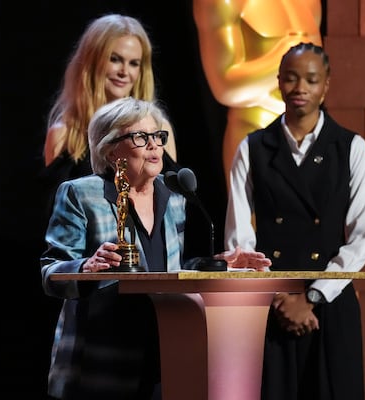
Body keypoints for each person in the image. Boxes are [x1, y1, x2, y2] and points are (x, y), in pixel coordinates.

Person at [41, 97, 270, 399]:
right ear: (111, 150)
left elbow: (167, 271)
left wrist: (218, 263)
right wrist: (85, 267)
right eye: (140, 137)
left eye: (158, 136)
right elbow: (51, 273)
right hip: (102, 360)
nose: (154, 145)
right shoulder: (80, 194)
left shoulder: (173, 196)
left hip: (165, 354)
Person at [223, 42, 365, 399]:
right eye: (291, 78)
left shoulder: (351, 148)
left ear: (326, 85)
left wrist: (311, 297)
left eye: (311, 79)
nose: (300, 88)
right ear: (278, 82)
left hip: (330, 304)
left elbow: (361, 239)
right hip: (271, 308)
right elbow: (239, 241)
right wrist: (279, 297)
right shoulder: (253, 148)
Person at [42, 13, 178, 200]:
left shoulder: (160, 129)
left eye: (133, 63)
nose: (124, 72)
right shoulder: (65, 135)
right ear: (93, 61)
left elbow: (171, 206)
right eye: (115, 59)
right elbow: (56, 215)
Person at [192, 0, 322, 186]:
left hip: (309, 133)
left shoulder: (310, 3)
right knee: (260, 212)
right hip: (256, 129)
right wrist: (287, 57)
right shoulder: (222, 3)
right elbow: (224, 86)